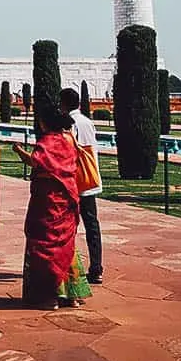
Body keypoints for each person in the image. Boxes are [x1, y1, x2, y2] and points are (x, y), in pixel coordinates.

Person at [12, 88, 81, 310]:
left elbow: (36, 163)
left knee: (45, 245)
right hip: (67, 199)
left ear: (46, 122)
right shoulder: (68, 140)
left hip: (48, 201)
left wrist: (20, 152)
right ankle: (72, 295)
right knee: (66, 244)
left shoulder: (48, 142)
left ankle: (48, 296)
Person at [69, 92, 104, 285]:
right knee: (92, 226)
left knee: (68, 226)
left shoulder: (70, 124)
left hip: (75, 180)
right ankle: (96, 267)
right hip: (90, 179)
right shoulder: (87, 122)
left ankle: (70, 268)